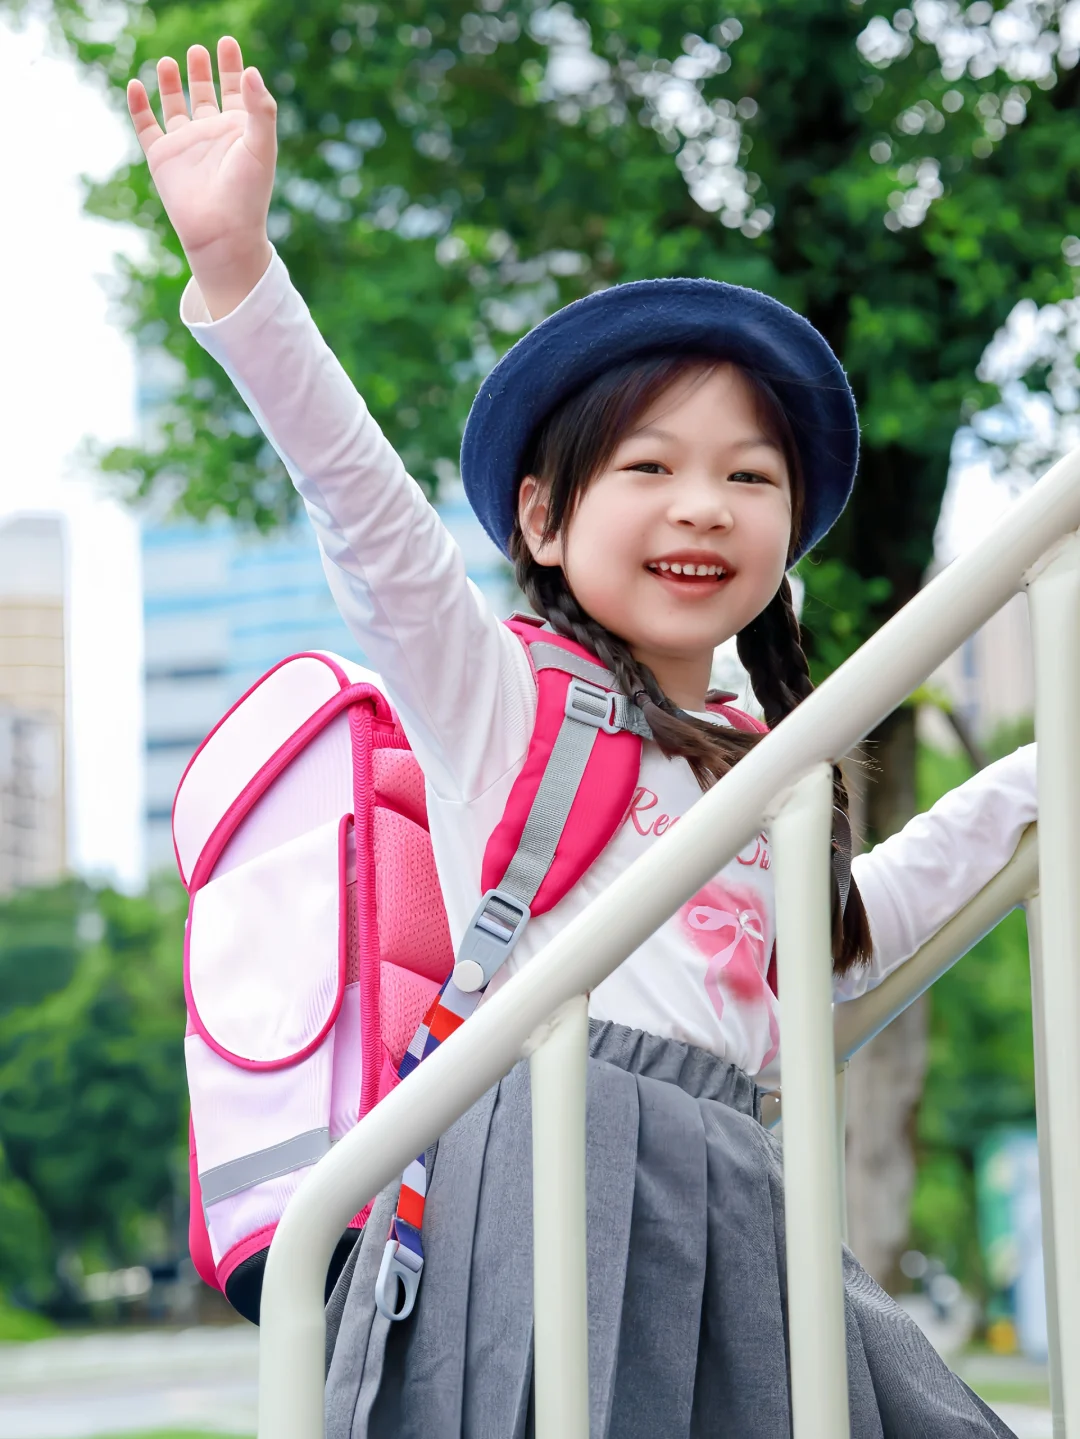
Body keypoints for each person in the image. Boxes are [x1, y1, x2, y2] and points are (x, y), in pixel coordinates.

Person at [128, 37, 1033, 1437]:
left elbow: (862, 927)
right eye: (651, 467)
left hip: (733, 1173)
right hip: (553, 1151)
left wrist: (1040, 774)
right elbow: (367, 510)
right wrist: (242, 272)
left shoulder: (769, 762)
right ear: (545, 519)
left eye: (749, 476)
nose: (703, 507)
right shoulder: (499, 693)